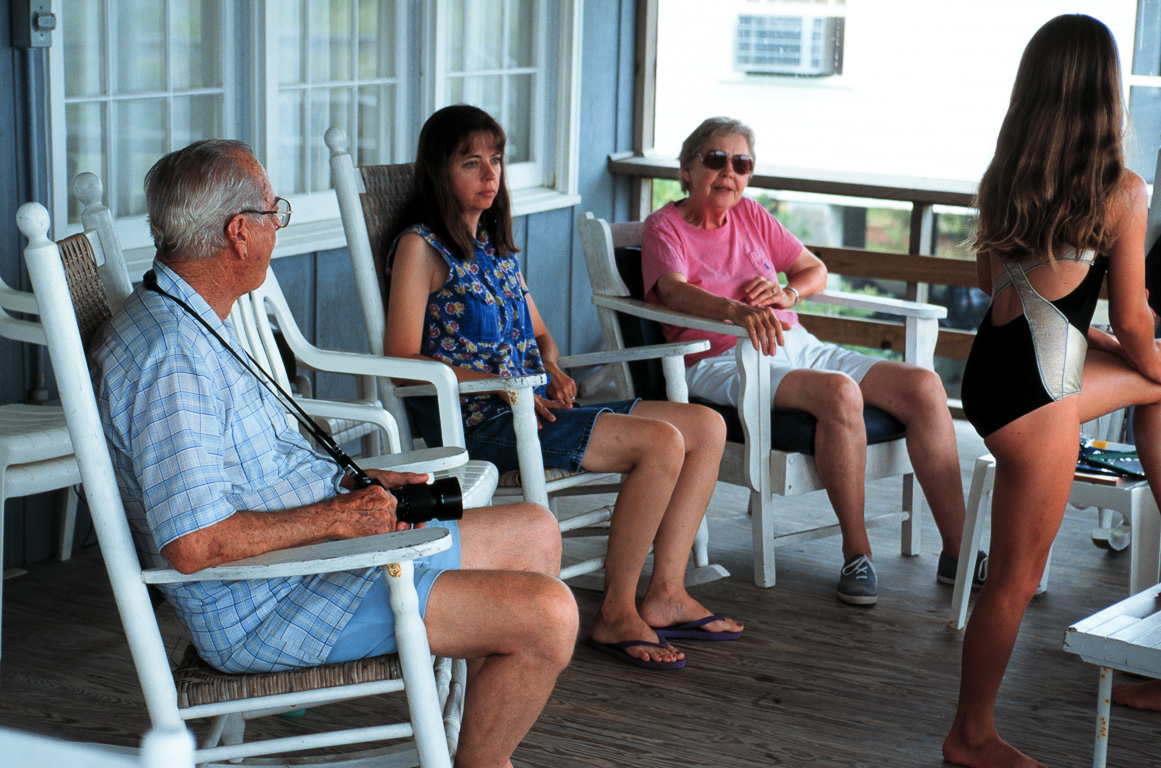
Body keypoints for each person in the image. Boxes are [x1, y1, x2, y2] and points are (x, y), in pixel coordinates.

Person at [89, 139, 579, 768]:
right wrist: (340, 519)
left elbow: (249, 470)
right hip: (272, 604)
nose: (278, 226)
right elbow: (194, 544)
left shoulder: (194, 315)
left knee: (535, 532)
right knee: (550, 617)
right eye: (274, 214)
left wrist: (345, 482)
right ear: (239, 234)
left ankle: (478, 731)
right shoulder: (171, 360)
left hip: (316, 560)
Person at [383, 104, 742, 671]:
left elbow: (543, 334)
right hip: (481, 425)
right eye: (470, 163)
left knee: (706, 424)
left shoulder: (496, 250)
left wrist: (550, 364)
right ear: (439, 172)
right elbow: (403, 362)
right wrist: (500, 385)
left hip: (539, 408)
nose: (489, 175)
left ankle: (665, 593)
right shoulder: (421, 248)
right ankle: (617, 611)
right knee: (661, 443)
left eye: (495, 160)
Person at [639, 116, 978, 606]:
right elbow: (670, 289)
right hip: (719, 360)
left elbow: (812, 268)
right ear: (687, 169)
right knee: (839, 390)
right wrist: (739, 312)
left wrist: (788, 293)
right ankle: (857, 553)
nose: (728, 172)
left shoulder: (752, 216)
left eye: (741, 163)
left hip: (793, 344)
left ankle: (958, 553)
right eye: (715, 159)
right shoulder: (664, 227)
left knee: (925, 386)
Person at [943, 15, 1161, 768]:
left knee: (1154, 397)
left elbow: (1002, 290)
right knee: (1014, 579)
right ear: (1105, 93)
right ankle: (968, 736)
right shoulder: (1121, 193)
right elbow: (1133, 320)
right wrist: (1149, 359)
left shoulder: (1002, 176)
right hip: (1041, 393)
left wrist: (1104, 350)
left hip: (993, 375)